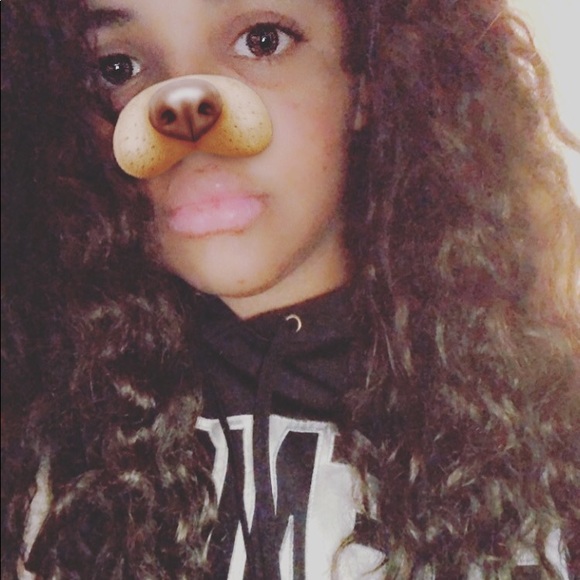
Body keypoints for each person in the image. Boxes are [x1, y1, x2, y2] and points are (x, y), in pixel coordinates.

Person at [2, 0, 579, 578]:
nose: (188, 119)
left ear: (366, 80)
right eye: (117, 68)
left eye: (262, 41)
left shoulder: (552, 444)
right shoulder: (36, 436)